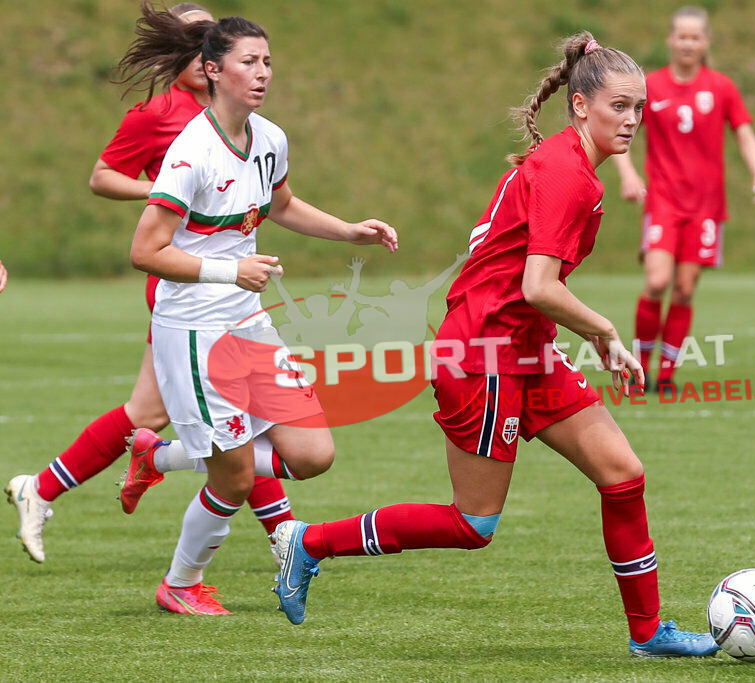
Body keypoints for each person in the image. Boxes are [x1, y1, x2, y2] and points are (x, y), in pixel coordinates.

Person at [270, 32, 719, 659]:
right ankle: (308, 542)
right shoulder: (568, 174)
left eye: (640, 108)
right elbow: (539, 286)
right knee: (472, 523)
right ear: (581, 106)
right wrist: (605, 331)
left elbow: (531, 290)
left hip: (524, 348)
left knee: (623, 476)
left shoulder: (571, 165)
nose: (633, 120)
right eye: (620, 106)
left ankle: (648, 633)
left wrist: (586, 334)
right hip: (482, 353)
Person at [123, 3, 397, 615]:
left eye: (268, 61)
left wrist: (351, 230)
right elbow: (146, 250)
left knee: (313, 455)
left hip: (247, 321)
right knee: (236, 478)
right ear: (214, 70)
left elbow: (282, 205)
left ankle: (159, 454)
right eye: (249, 62)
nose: (263, 72)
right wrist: (230, 269)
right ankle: (181, 584)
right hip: (194, 329)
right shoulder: (192, 151)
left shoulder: (269, 136)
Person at [3, 3, 297, 566]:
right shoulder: (161, 116)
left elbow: (277, 198)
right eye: (204, 37)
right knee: (206, 417)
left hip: (227, 289)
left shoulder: (248, 121)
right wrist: (165, 196)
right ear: (204, 59)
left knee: (166, 415)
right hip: (185, 283)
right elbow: (102, 176)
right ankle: (282, 537)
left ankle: (43, 488)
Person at [613, 6, 755, 393]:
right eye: (681, 36)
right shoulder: (649, 87)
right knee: (657, 280)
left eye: (695, 37)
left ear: (705, 43)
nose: (688, 43)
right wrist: (630, 175)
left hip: (705, 207)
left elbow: (744, 134)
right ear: (670, 40)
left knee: (684, 289)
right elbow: (620, 130)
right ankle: (641, 369)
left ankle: (666, 376)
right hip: (664, 202)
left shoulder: (721, 87)